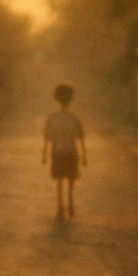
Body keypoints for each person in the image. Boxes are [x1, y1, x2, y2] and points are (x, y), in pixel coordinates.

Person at [42, 83, 87, 218]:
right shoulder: (74, 118)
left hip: (57, 152)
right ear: (71, 99)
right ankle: (71, 203)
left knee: (60, 180)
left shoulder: (52, 117)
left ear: (56, 99)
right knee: (71, 179)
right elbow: (81, 138)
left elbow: (46, 137)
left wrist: (44, 154)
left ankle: (60, 206)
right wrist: (85, 156)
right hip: (71, 152)